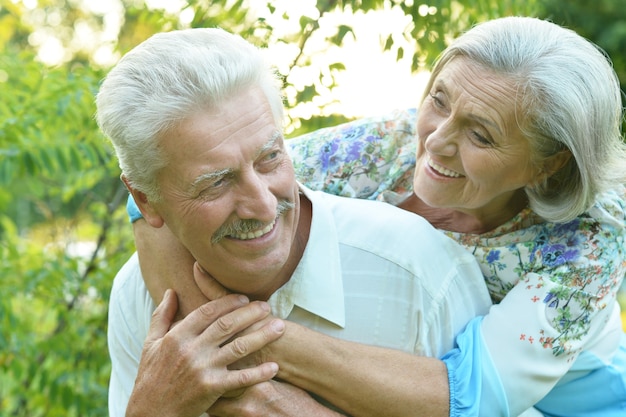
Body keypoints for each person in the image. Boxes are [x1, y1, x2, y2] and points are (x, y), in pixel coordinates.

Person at [127, 16, 626, 416]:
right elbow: (170, 190)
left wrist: (244, 347)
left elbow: (471, 400)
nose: (435, 140)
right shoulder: (381, 147)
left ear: (549, 160)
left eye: (481, 134)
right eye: (439, 99)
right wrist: (204, 331)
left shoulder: (590, 239)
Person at [96, 27, 493, 416]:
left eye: (269, 158)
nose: (264, 207)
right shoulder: (140, 298)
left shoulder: (419, 271)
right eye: (216, 183)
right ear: (145, 200)